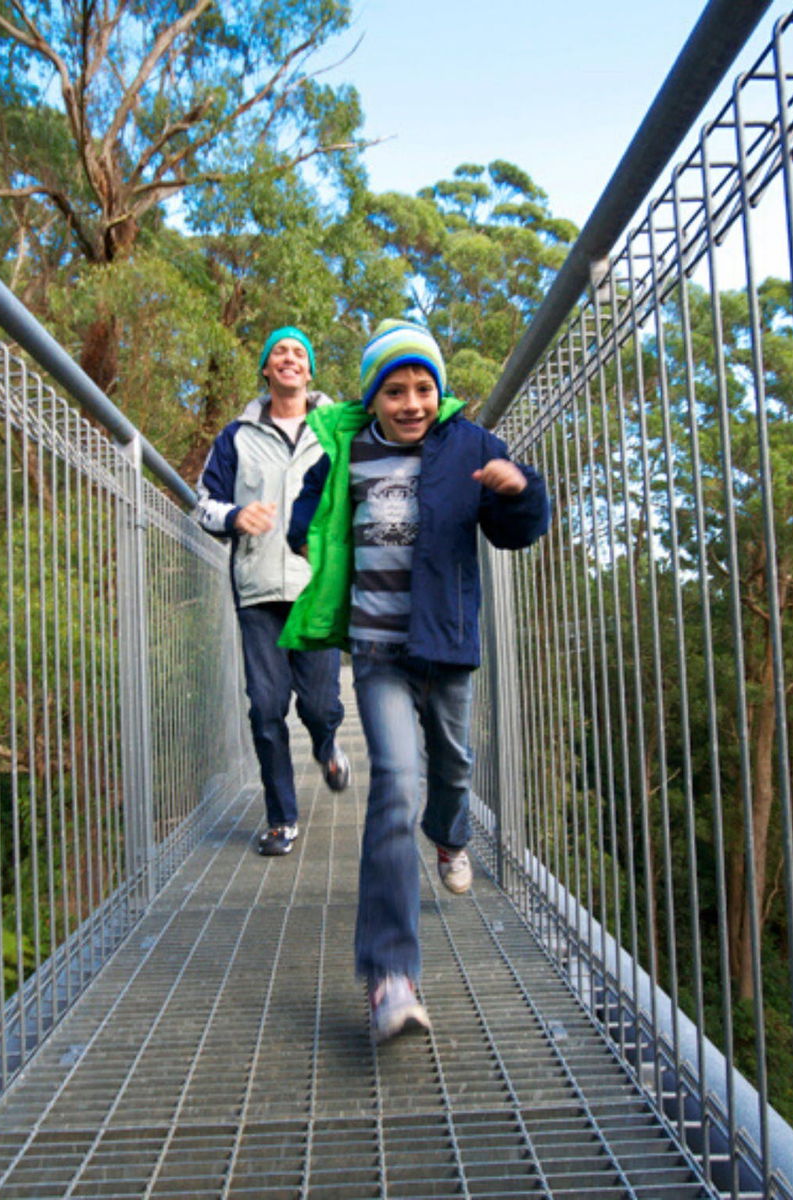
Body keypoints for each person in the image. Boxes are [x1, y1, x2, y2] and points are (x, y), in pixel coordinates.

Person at [280, 320, 550, 1042]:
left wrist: (516, 488)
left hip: (448, 646)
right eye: (393, 390)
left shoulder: (471, 445)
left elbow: (519, 526)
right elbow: (313, 496)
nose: (410, 402)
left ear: (440, 391)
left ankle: (451, 834)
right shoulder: (348, 444)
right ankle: (390, 975)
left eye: (423, 388)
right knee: (396, 781)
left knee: (452, 769)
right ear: (372, 398)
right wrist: (302, 527)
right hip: (378, 653)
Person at [194, 325, 351, 857]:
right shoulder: (235, 436)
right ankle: (282, 818)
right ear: (266, 369)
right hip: (258, 589)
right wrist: (237, 515)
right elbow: (203, 505)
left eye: (299, 352)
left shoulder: (337, 429)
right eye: (278, 351)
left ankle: (327, 741)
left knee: (319, 703)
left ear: (309, 372)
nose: (289, 358)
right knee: (265, 707)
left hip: (317, 588)